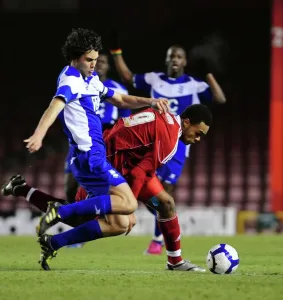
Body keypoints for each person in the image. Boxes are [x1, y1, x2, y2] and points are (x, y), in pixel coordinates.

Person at [22, 27, 169, 269]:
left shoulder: (90, 81)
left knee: (121, 224)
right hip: (90, 157)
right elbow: (55, 105)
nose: (94, 64)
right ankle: (59, 211)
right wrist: (39, 134)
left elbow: (120, 99)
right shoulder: (71, 79)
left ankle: (53, 242)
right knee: (130, 204)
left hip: (92, 157)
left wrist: (150, 101)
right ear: (75, 57)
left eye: (95, 59)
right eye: (89, 60)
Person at [3, 104, 212, 272]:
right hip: (105, 163)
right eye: (198, 132)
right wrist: (128, 208)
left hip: (126, 165)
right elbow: (140, 173)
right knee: (97, 219)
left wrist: (128, 205)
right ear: (186, 122)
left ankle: (175, 262)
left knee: (166, 203)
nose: (198, 139)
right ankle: (30, 197)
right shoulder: (169, 139)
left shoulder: (167, 124)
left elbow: (141, 170)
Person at [110, 41, 226, 254]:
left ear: (185, 62)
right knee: (149, 185)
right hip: (153, 139)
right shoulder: (154, 78)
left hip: (179, 144)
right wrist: (117, 52)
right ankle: (147, 222)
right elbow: (127, 77)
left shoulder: (193, 84)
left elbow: (219, 98)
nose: (175, 60)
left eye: (179, 56)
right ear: (166, 60)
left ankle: (157, 239)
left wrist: (207, 72)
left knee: (165, 190)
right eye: (171, 56)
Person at [64, 52, 131, 203]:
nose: (99, 64)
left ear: (108, 66)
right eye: (96, 60)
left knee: (102, 186)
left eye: (103, 62)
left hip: (104, 140)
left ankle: (99, 219)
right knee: (69, 187)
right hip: (79, 139)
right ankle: (76, 217)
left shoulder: (118, 89)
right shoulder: (77, 84)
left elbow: (125, 120)